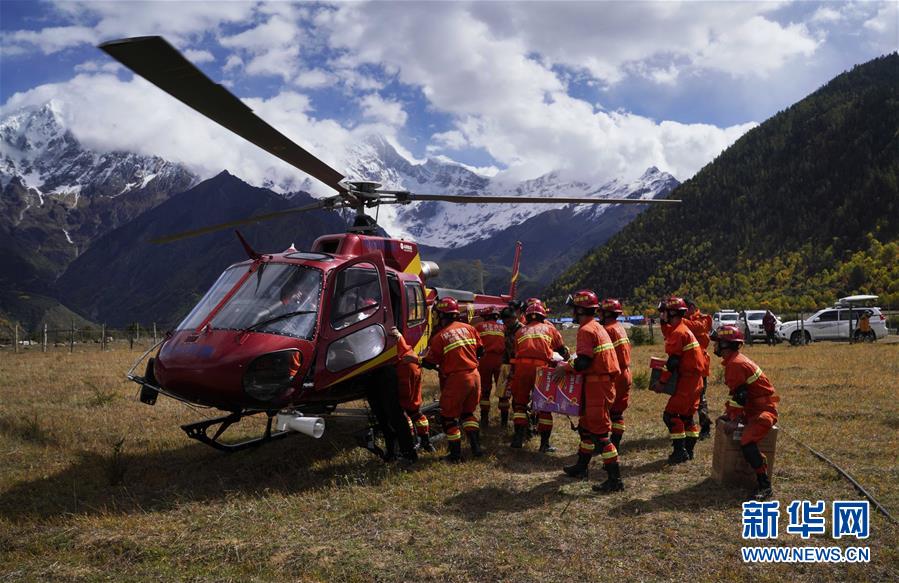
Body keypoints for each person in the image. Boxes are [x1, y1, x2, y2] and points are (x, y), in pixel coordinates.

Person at [554, 290, 623, 492]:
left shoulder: (586, 330)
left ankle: (615, 480)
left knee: (600, 435)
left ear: (580, 309)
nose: (572, 313)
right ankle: (581, 467)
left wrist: (565, 367)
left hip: (597, 386)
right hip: (599, 384)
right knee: (585, 429)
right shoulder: (597, 327)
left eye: (574, 309)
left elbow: (584, 361)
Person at [712, 325, 779, 500]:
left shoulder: (736, 364)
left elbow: (741, 396)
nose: (715, 346)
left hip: (763, 412)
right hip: (753, 409)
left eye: (717, 343)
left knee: (747, 442)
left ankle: (765, 485)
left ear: (725, 345)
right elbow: (737, 395)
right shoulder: (735, 361)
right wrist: (730, 415)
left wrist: (734, 420)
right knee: (745, 439)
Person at [422, 297, 484, 462]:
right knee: (468, 414)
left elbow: (429, 362)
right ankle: (476, 448)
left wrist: (421, 360)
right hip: (475, 376)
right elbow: (480, 351)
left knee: (449, 418)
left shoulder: (440, 337)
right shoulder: (470, 329)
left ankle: (455, 455)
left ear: (442, 316)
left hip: (457, 379)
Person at [509, 302, 569, 452]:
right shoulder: (550, 329)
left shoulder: (520, 331)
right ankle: (544, 444)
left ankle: (518, 439)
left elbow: (515, 353)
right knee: (544, 407)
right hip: (542, 370)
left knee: (520, 405)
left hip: (522, 369)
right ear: (543, 316)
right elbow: (561, 350)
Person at [655, 297, 705, 464]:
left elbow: (673, 361)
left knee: (671, 416)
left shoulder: (679, 332)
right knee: (687, 417)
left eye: (665, 312)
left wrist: (662, 382)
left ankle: (679, 452)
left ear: (672, 312)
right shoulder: (682, 329)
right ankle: (689, 451)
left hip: (688, 381)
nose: (663, 315)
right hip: (696, 380)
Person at [390, 326, 434, 453]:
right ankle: (426, 441)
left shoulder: (387, 331)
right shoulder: (396, 332)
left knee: (403, 409)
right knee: (415, 408)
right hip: (413, 363)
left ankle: (409, 443)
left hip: (404, 366)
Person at [600, 298, 632, 453]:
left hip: (614, 374)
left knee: (604, 410)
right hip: (625, 373)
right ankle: (616, 444)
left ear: (606, 312)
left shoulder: (607, 330)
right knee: (617, 412)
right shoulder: (619, 327)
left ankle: (604, 446)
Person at [685, 299, 713, 439]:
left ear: (691, 308)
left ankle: (705, 427)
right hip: (685, 365)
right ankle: (687, 426)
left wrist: (678, 321)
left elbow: (697, 327)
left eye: (683, 310)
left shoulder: (704, 319)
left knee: (700, 396)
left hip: (700, 365)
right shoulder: (683, 320)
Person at [474, 306, 506, 427]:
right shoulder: (504, 328)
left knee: (485, 391)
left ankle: (484, 419)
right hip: (501, 360)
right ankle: (504, 420)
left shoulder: (479, 327)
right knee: (503, 391)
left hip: (485, 360)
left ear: (485, 316)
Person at [498, 306, 523, 428]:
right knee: (502, 395)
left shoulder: (523, 330)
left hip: (519, 367)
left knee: (518, 398)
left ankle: (521, 425)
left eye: (507, 321)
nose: (505, 324)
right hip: (506, 365)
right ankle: (503, 422)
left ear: (514, 318)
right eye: (503, 322)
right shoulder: (506, 330)